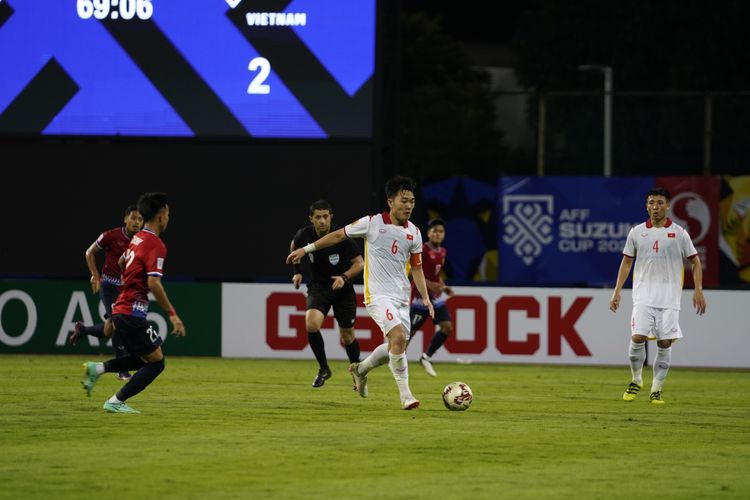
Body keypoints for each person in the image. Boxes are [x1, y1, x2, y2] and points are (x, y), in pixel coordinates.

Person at [287, 176, 434, 410]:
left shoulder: (414, 233)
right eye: (404, 200)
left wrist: (425, 297)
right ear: (390, 201)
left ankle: (361, 369)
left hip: (401, 297)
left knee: (397, 347)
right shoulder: (372, 223)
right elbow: (337, 235)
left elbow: (416, 267)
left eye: (412, 201)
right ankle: (406, 396)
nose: (409, 205)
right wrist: (306, 249)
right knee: (396, 337)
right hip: (377, 295)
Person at [80, 192, 186, 413]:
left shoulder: (135, 240)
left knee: (140, 360)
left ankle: (97, 368)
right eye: (167, 213)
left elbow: (120, 261)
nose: (168, 218)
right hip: (131, 312)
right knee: (157, 363)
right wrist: (172, 314)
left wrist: (130, 280)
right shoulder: (155, 244)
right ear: (160, 216)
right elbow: (154, 284)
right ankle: (115, 401)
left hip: (121, 309)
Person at [609, 187, 706, 405]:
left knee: (664, 343)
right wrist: (616, 292)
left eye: (660, 202)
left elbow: (695, 261)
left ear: (668, 206)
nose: (655, 207)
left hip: (670, 299)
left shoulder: (680, 234)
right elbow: (626, 262)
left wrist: (698, 289)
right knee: (637, 338)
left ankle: (656, 389)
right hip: (643, 296)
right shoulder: (636, 232)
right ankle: (636, 380)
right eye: (651, 202)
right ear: (646, 206)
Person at [290, 199, 365, 388]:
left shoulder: (341, 236)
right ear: (311, 219)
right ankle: (324, 368)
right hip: (319, 287)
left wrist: (344, 277)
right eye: (318, 217)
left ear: (331, 216)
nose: (322, 221)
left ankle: (356, 370)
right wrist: (297, 271)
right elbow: (294, 246)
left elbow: (360, 264)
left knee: (347, 336)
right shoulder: (304, 235)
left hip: (343, 288)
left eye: (325, 216)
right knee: (311, 324)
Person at [69, 205, 143, 381]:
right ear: (125, 219)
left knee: (109, 329)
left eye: (140, 219)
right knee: (119, 323)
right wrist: (95, 275)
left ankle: (83, 330)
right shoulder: (111, 235)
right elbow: (89, 252)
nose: (137, 222)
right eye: (133, 218)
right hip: (109, 286)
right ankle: (121, 370)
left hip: (125, 291)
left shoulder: (141, 241)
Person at [407, 218, 454, 377]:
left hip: (436, 298)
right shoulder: (421, 250)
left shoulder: (443, 252)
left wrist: (444, 286)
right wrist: (429, 285)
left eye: (441, 231)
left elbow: (436, 275)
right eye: (435, 231)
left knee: (447, 327)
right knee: (409, 333)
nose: (438, 234)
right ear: (428, 233)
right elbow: (413, 273)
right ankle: (397, 360)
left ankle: (426, 357)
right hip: (420, 298)